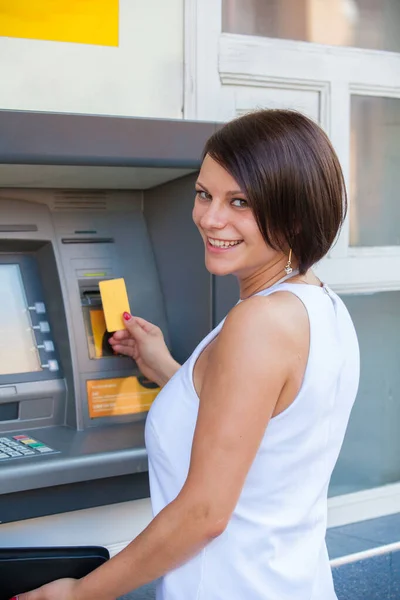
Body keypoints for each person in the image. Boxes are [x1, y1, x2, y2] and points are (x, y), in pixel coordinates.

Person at [16, 109, 360, 600]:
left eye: (240, 201)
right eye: (204, 194)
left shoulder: (257, 324)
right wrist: (166, 369)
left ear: (296, 213)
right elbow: (258, 431)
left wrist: (77, 594)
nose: (210, 218)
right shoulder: (319, 305)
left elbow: (203, 514)